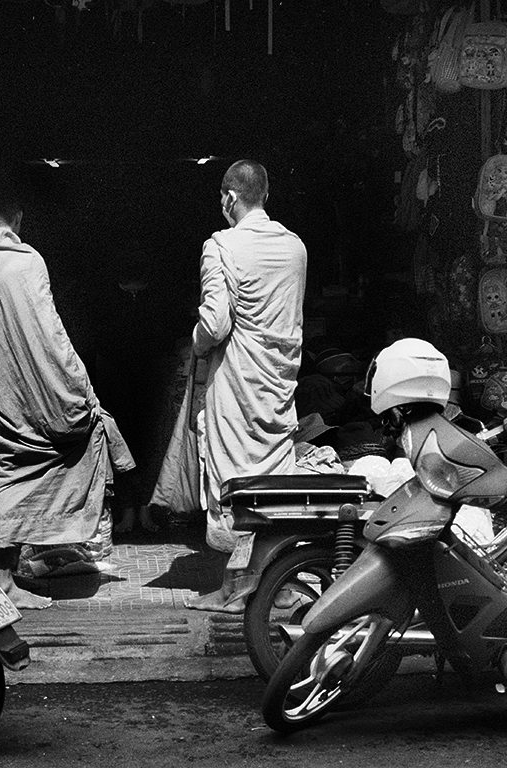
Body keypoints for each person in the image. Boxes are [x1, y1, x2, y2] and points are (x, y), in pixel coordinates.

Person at [0, 186, 133, 610]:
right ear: (19, 219)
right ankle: (17, 569)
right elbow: (49, 332)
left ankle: (1, 575)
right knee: (56, 456)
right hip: (29, 392)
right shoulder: (28, 261)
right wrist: (78, 385)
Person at [185, 160, 308, 613]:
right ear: (266, 195)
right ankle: (278, 583)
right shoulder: (295, 248)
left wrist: (195, 343)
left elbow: (215, 324)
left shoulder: (221, 247)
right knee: (274, 483)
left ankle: (235, 588)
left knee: (234, 485)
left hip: (236, 384)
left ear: (229, 198)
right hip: (278, 381)